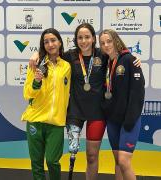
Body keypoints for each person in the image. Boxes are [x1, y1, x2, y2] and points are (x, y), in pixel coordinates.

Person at [29, 23, 141, 180]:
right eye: (80, 38)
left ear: (93, 38)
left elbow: (120, 57)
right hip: (75, 113)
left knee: (91, 156)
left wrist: (133, 58)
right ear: (76, 40)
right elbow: (51, 52)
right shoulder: (69, 56)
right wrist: (36, 55)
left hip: (97, 113)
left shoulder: (102, 55)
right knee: (73, 154)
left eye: (87, 37)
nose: (84, 41)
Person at [21, 28, 71, 180]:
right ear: (43, 45)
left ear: (60, 42)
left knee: (52, 161)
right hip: (35, 121)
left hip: (56, 122)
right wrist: (36, 82)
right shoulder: (37, 64)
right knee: (37, 163)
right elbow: (27, 94)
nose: (50, 44)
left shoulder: (67, 67)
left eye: (53, 40)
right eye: (46, 42)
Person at [99, 29, 145, 180]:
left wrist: (130, 119)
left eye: (109, 41)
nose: (106, 45)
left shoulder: (129, 60)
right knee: (118, 161)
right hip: (113, 120)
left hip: (128, 120)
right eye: (103, 43)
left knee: (124, 161)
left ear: (116, 41)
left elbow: (138, 93)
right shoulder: (107, 62)